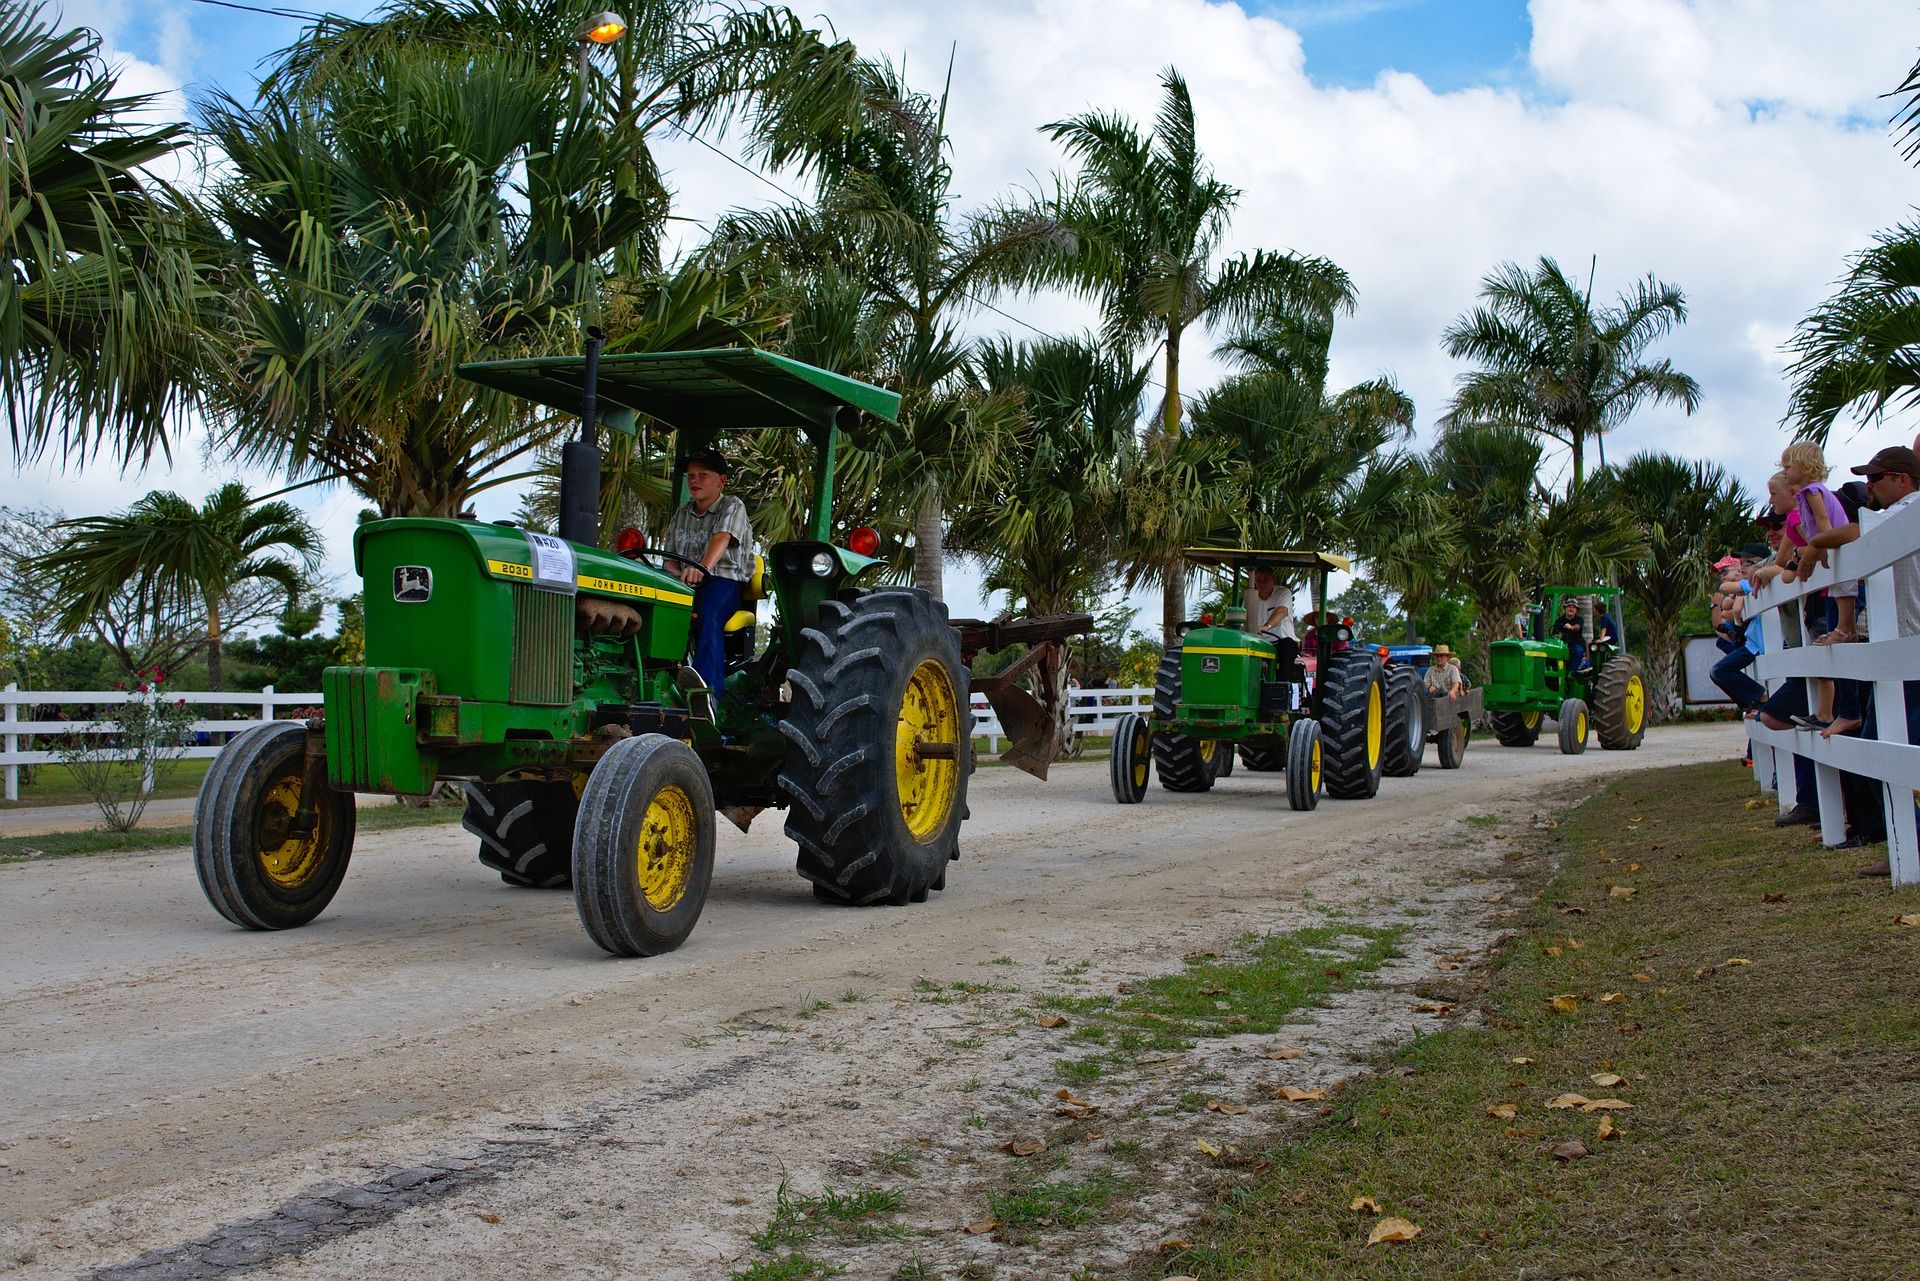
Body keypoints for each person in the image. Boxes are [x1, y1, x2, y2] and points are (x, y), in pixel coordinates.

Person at [661, 448, 754, 715]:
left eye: (703, 475)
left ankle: (707, 695)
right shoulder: (682, 512)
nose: (694, 481)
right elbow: (669, 560)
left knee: (708, 613)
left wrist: (701, 568)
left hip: (723, 583)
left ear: (721, 480)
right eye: (691, 476)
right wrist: (676, 575)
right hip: (685, 583)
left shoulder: (732, 505)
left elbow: (722, 538)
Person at [1243, 563, 1300, 674]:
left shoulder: (1283, 593)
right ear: (1254, 582)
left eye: (1266, 579)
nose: (1262, 583)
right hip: (1258, 643)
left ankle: (1283, 686)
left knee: (1288, 645)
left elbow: (1282, 611)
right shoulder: (1249, 598)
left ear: (1273, 580)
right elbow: (1243, 617)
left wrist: (1266, 627)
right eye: (1259, 580)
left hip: (1280, 643)